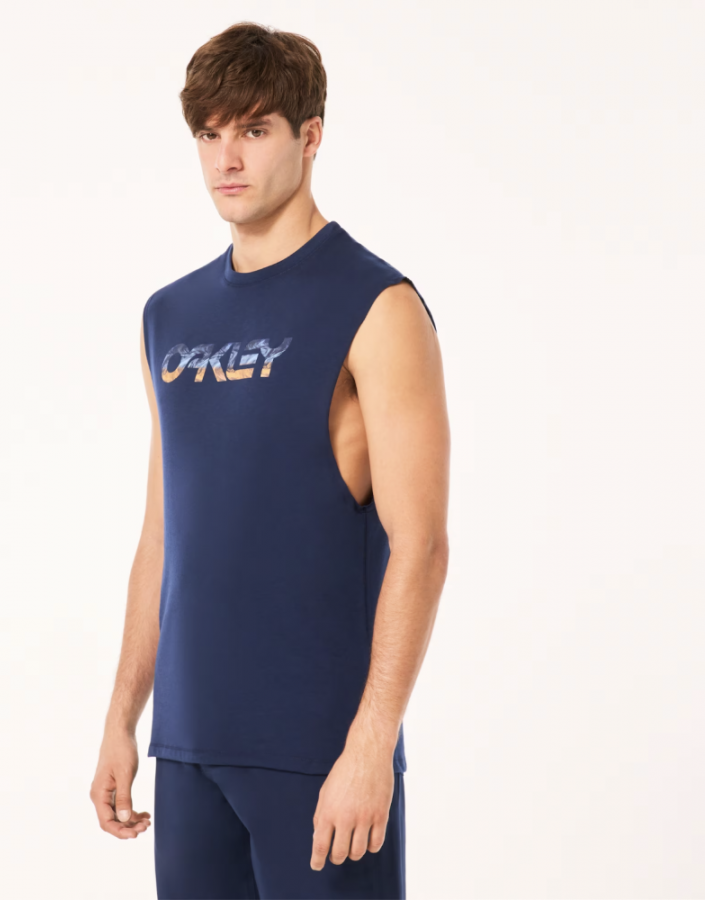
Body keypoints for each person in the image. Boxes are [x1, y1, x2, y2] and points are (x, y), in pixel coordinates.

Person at [90, 21, 450, 899]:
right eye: (209, 134)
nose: (227, 158)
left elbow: (421, 544)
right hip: (188, 749)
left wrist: (372, 742)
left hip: (319, 756)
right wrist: (122, 718)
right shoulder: (168, 317)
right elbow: (163, 536)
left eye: (253, 130)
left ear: (309, 136)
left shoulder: (377, 306)